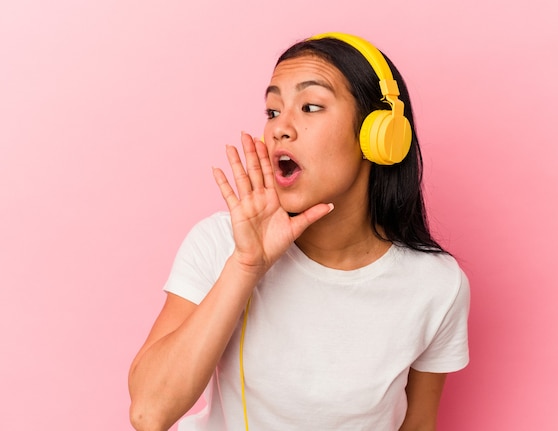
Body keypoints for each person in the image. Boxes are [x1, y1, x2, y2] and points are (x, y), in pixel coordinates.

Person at [128, 32, 470, 431]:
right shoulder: (221, 243)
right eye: (273, 112)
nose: (279, 130)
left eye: (310, 107)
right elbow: (148, 414)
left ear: (378, 136)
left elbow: (419, 424)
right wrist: (245, 265)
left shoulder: (436, 285)